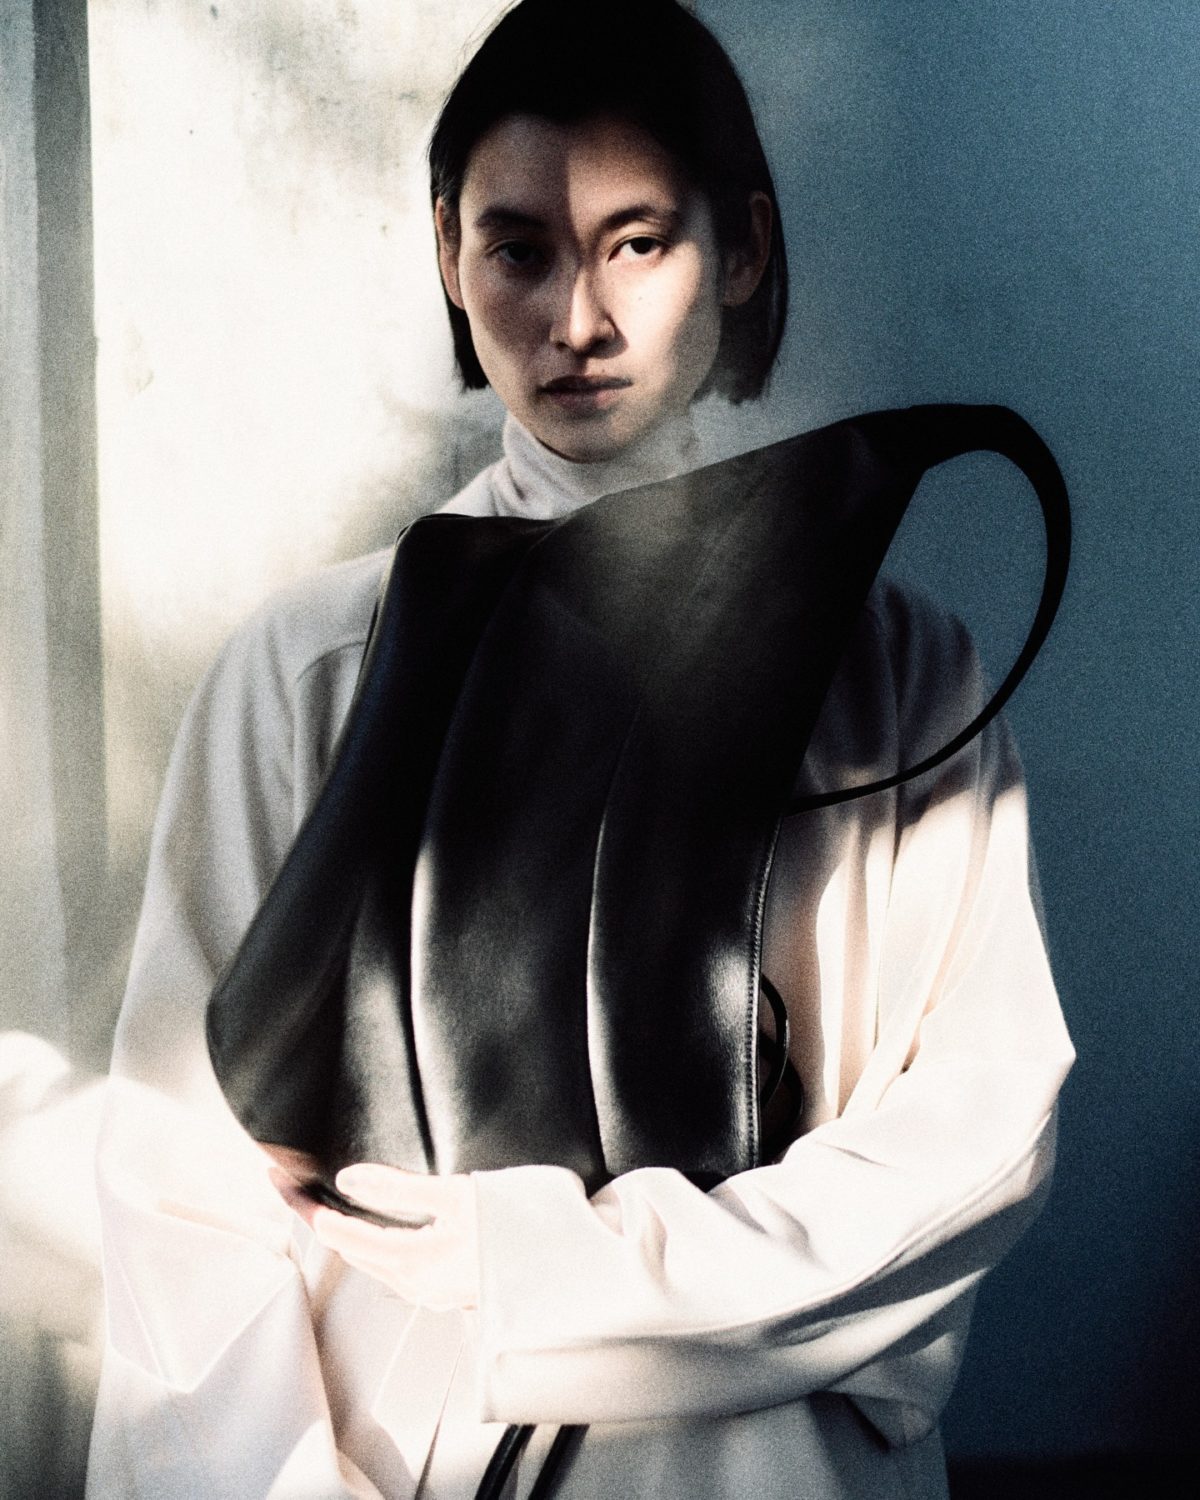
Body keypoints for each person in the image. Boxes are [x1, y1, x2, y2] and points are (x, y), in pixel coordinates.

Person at [86, 3, 1073, 1496]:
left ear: (740, 248)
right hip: (401, 1454)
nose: (578, 322)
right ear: (448, 255)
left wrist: (558, 1267)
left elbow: (979, 1129)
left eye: (637, 243)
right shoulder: (312, 670)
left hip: (774, 1462)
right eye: (520, 250)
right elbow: (184, 1188)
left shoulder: (898, 673)